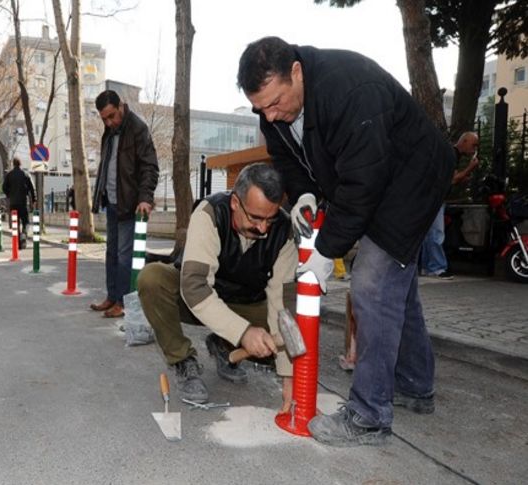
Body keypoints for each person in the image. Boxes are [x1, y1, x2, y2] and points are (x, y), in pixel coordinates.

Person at [237, 37, 455, 447]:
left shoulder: (349, 88)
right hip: (374, 180)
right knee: (396, 291)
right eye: (260, 108)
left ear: (297, 72)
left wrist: (326, 252)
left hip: (412, 178)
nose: (269, 115)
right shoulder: (274, 110)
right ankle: (414, 384)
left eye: (275, 102)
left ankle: (370, 415)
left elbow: (361, 185)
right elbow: (289, 160)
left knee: (371, 284)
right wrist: (303, 195)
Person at [138, 163, 297, 411]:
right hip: (196, 299)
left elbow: (282, 307)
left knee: (275, 334)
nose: (263, 228)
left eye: (270, 218)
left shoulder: (284, 231)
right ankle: (182, 360)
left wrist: (289, 377)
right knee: (151, 279)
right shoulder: (210, 213)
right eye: (255, 218)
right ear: (235, 203)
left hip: (246, 303)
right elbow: (195, 287)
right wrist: (243, 333)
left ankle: (223, 344)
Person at [90, 90, 159, 318]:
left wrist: (145, 198)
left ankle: (123, 301)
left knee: (124, 255)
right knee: (111, 253)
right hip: (111, 201)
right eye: (105, 119)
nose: (110, 122)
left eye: (112, 116)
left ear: (121, 106)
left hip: (130, 204)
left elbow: (149, 166)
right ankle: (112, 296)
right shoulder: (109, 133)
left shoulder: (137, 128)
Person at [421, 131, 480, 279]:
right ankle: (437, 268)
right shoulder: (452, 154)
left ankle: (428, 267)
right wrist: (469, 168)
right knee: (436, 233)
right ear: (464, 141)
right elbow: (452, 180)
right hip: (435, 198)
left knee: (429, 234)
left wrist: (463, 175)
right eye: (473, 145)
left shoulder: (452, 154)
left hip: (430, 196)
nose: (474, 149)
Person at [2, 157, 36, 250]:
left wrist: (9, 194)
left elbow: (4, 187)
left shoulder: (9, 175)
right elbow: (32, 189)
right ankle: (24, 234)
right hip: (23, 202)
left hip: (13, 203)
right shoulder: (25, 174)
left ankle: (18, 244)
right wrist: (33, 200)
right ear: (20, 164)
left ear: (13, 164)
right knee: (26, 221)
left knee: (15, 223)